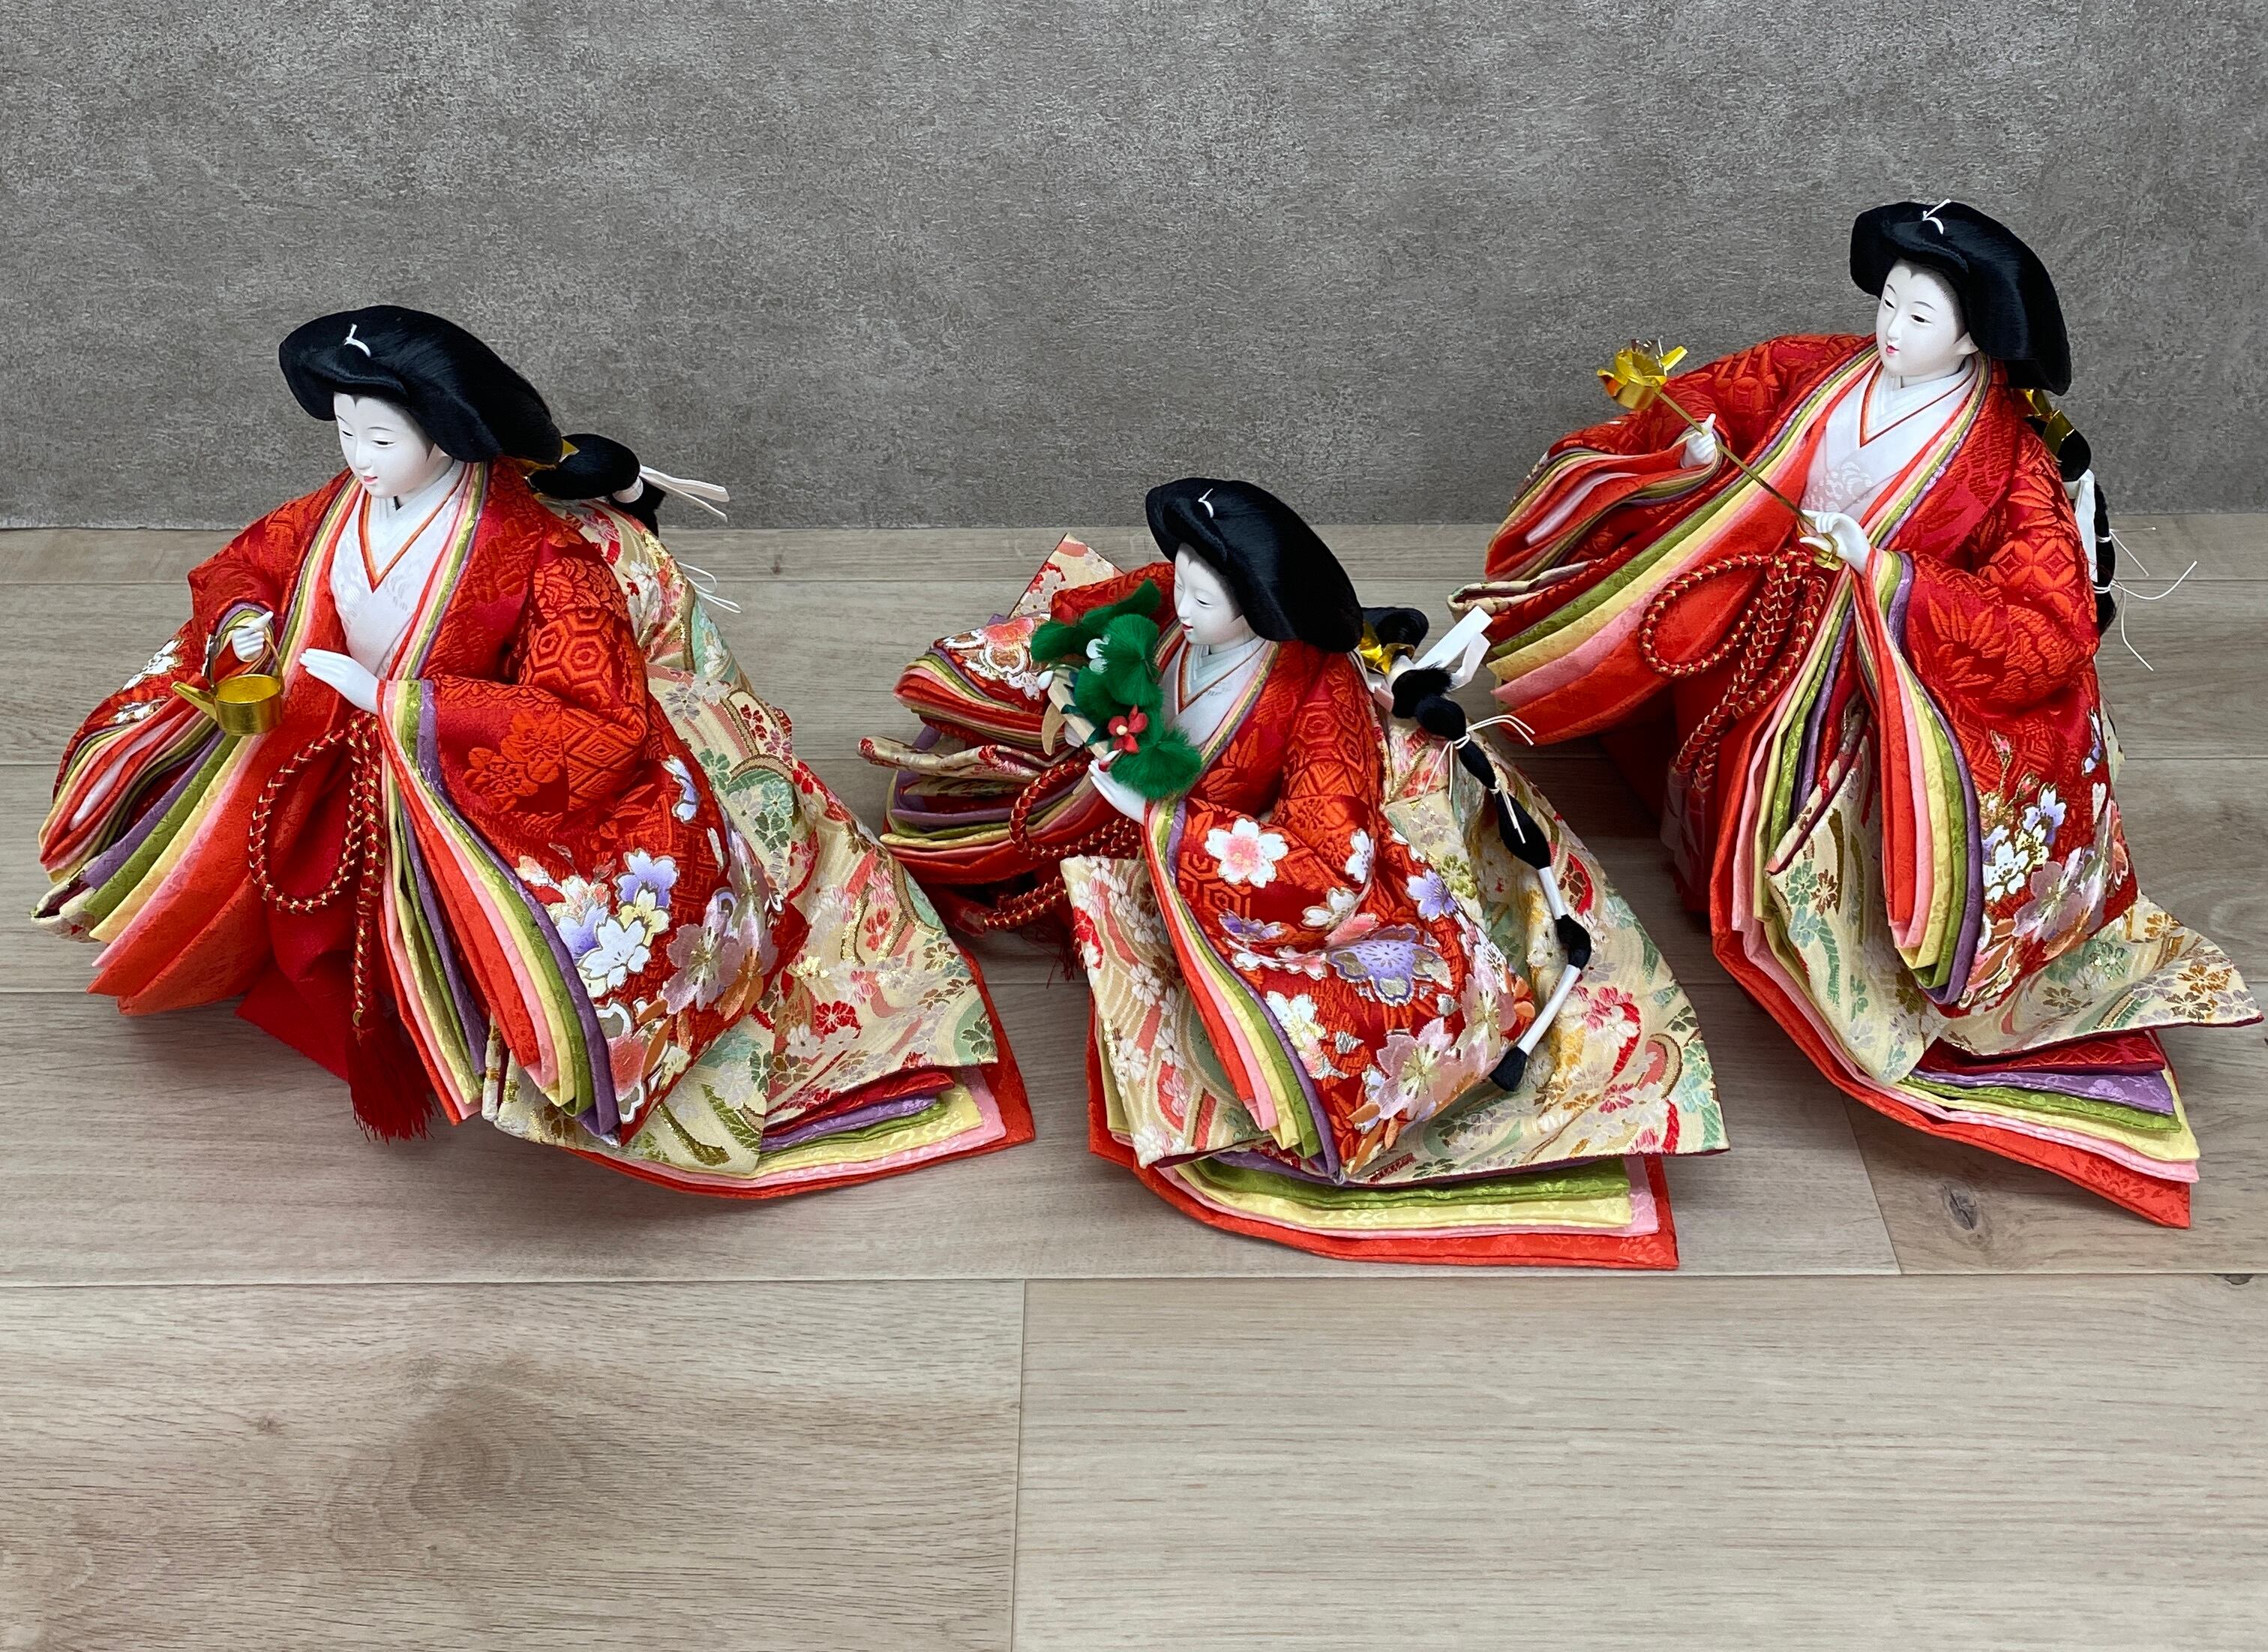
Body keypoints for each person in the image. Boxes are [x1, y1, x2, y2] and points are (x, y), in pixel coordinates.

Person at [39, 306, 1029, 1193]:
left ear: (446, 435)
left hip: (455, 771)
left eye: (380, 437)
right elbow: (246, 563)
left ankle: (458, 1029)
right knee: (262, 849)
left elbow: (597, 716)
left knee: (530, 927)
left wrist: (412, 707)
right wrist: (248, 625)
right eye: (345, 433)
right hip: (335, 749)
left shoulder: (539, 553)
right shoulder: (334, 512)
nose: (359, 459)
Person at [1456, 203, 2258, 1224]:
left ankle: (1789, 924)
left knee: (1794, 826)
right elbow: (1709, 398)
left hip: (1872, 674)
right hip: (1766, 615)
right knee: (1709, 760)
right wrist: (1689, 444)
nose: (1891, 328)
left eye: (1920, 316)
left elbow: (2045, 624)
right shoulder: (1823, 370)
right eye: (1888, 302)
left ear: (1972, 339)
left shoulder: (2007, 460)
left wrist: (1891, 576)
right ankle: (1705, 865)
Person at [869, 479, 1724, 1266]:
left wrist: (1171, 825)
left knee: (1318, 1011)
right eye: (1181, 581)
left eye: (1204, 597)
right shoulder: (1182, 603)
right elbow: (1093, 609)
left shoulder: (1321, 697)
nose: (1181, 603)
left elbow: (1327, 863)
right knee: (948, 824)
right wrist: (1077, 679)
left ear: (1259, 607)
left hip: (1227, 843)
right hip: (1122, 794)